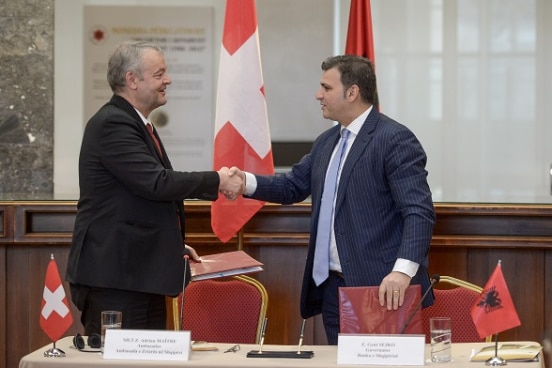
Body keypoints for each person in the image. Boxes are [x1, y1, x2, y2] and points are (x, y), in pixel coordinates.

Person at [229, 55, 435, 344]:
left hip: (382, 290)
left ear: (352, 93)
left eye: (326, 87)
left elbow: (418, 213)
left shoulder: (394, 139)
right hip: (332, 289)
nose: (318, 95)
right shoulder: (327, 141)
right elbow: (293, 186)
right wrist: (245, 183)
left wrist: (402, 272)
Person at [65, 40, 244, 334]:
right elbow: (156, 183)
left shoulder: (135, 123)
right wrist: (218, 180)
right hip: (115, 279)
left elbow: (135, 200)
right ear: (132, 80)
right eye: (159, 74)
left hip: (137, 273)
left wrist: (170, 244)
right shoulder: (112, 124)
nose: (168, 80)